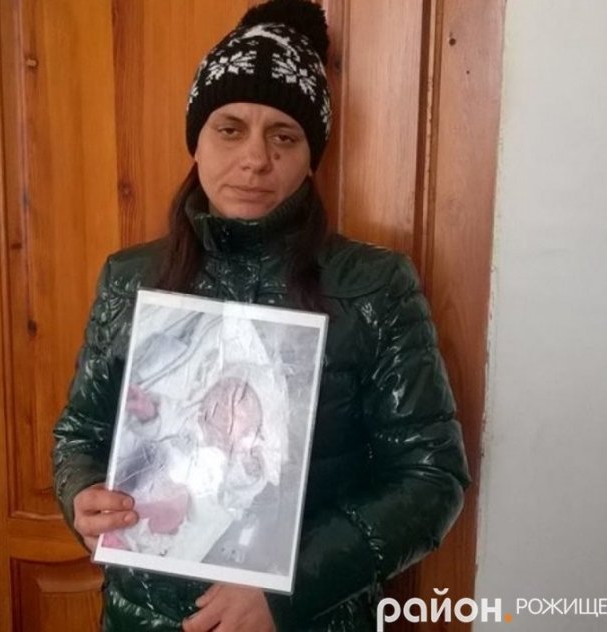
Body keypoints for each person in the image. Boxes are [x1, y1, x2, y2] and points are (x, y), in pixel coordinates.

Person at [53, 0, 470, 630]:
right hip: (142, 614)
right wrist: (80, 493)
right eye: (230, 128)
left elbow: (431, 477)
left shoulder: (374, 287)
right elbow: (81, 430)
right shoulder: (129, 277)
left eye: (283, 135)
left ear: (311, 155)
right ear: (196, 140)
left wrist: (287, 589)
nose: (255, 159)